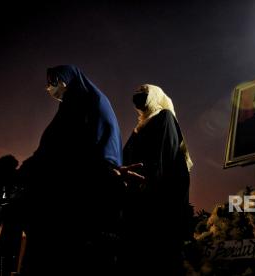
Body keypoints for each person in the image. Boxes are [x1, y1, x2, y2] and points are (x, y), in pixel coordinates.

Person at [17, 65, 142, 275]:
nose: (49, 88)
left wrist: (106, 169)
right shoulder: (78, 103)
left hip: (72, 197)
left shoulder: (83, 104)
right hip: (70, 191)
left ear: (67, 80)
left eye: (53, 82)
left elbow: (71, 150)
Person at [122, 84, 192, 275]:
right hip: (139, 202)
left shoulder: (164, 118)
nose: (139, 99)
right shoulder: (140, 127)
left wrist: (145, 187)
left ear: (155, 97)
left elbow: (162, 160)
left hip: (158, 205)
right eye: (136, 95)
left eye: (144, 94)